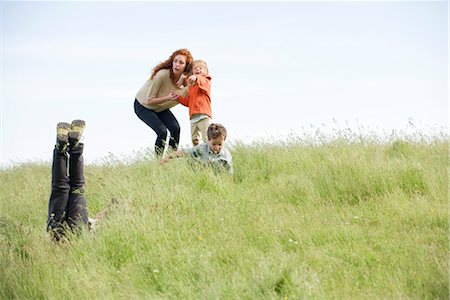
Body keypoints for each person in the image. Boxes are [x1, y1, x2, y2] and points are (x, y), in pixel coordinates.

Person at [134, 48, 194, 156]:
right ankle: (159, 162)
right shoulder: (162, 75)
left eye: (181, 63)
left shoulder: (186, 83)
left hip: (160, 107)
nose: (177, 65)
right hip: (143, 105)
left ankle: (171, 159)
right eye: (175, 61)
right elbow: (150, 100)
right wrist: (168, 98)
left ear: (186, 66)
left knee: (175, 128)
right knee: (162, 132)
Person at [47, 120, 93, 241]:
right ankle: (60, 148)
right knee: (59, 188)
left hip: (78, 235)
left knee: (77, 187)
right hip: (58, 234)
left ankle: (75, 146)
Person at [162, 123, 233, 175]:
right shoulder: (202, 148)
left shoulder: (226, 155)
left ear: (224, 141)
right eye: (214, 144)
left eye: (220, 144)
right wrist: (168, 157)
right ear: (208, 140)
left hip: (216, 175)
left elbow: (230, 173)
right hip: (201, 172)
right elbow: (184, 152)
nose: (217, 147)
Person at [176, 60, 212, 146]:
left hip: (203, 115)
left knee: (206, 137)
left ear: (206, 72)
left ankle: (210, 155)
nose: (198, 70)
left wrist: (196, 77)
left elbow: (202, 80)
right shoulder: (191, 87)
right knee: (194, 139)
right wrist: (178, 98)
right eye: (195, 68)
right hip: (193, 117)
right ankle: (197, 157)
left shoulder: (206, 81)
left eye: (201, 68)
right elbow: (189, 102)